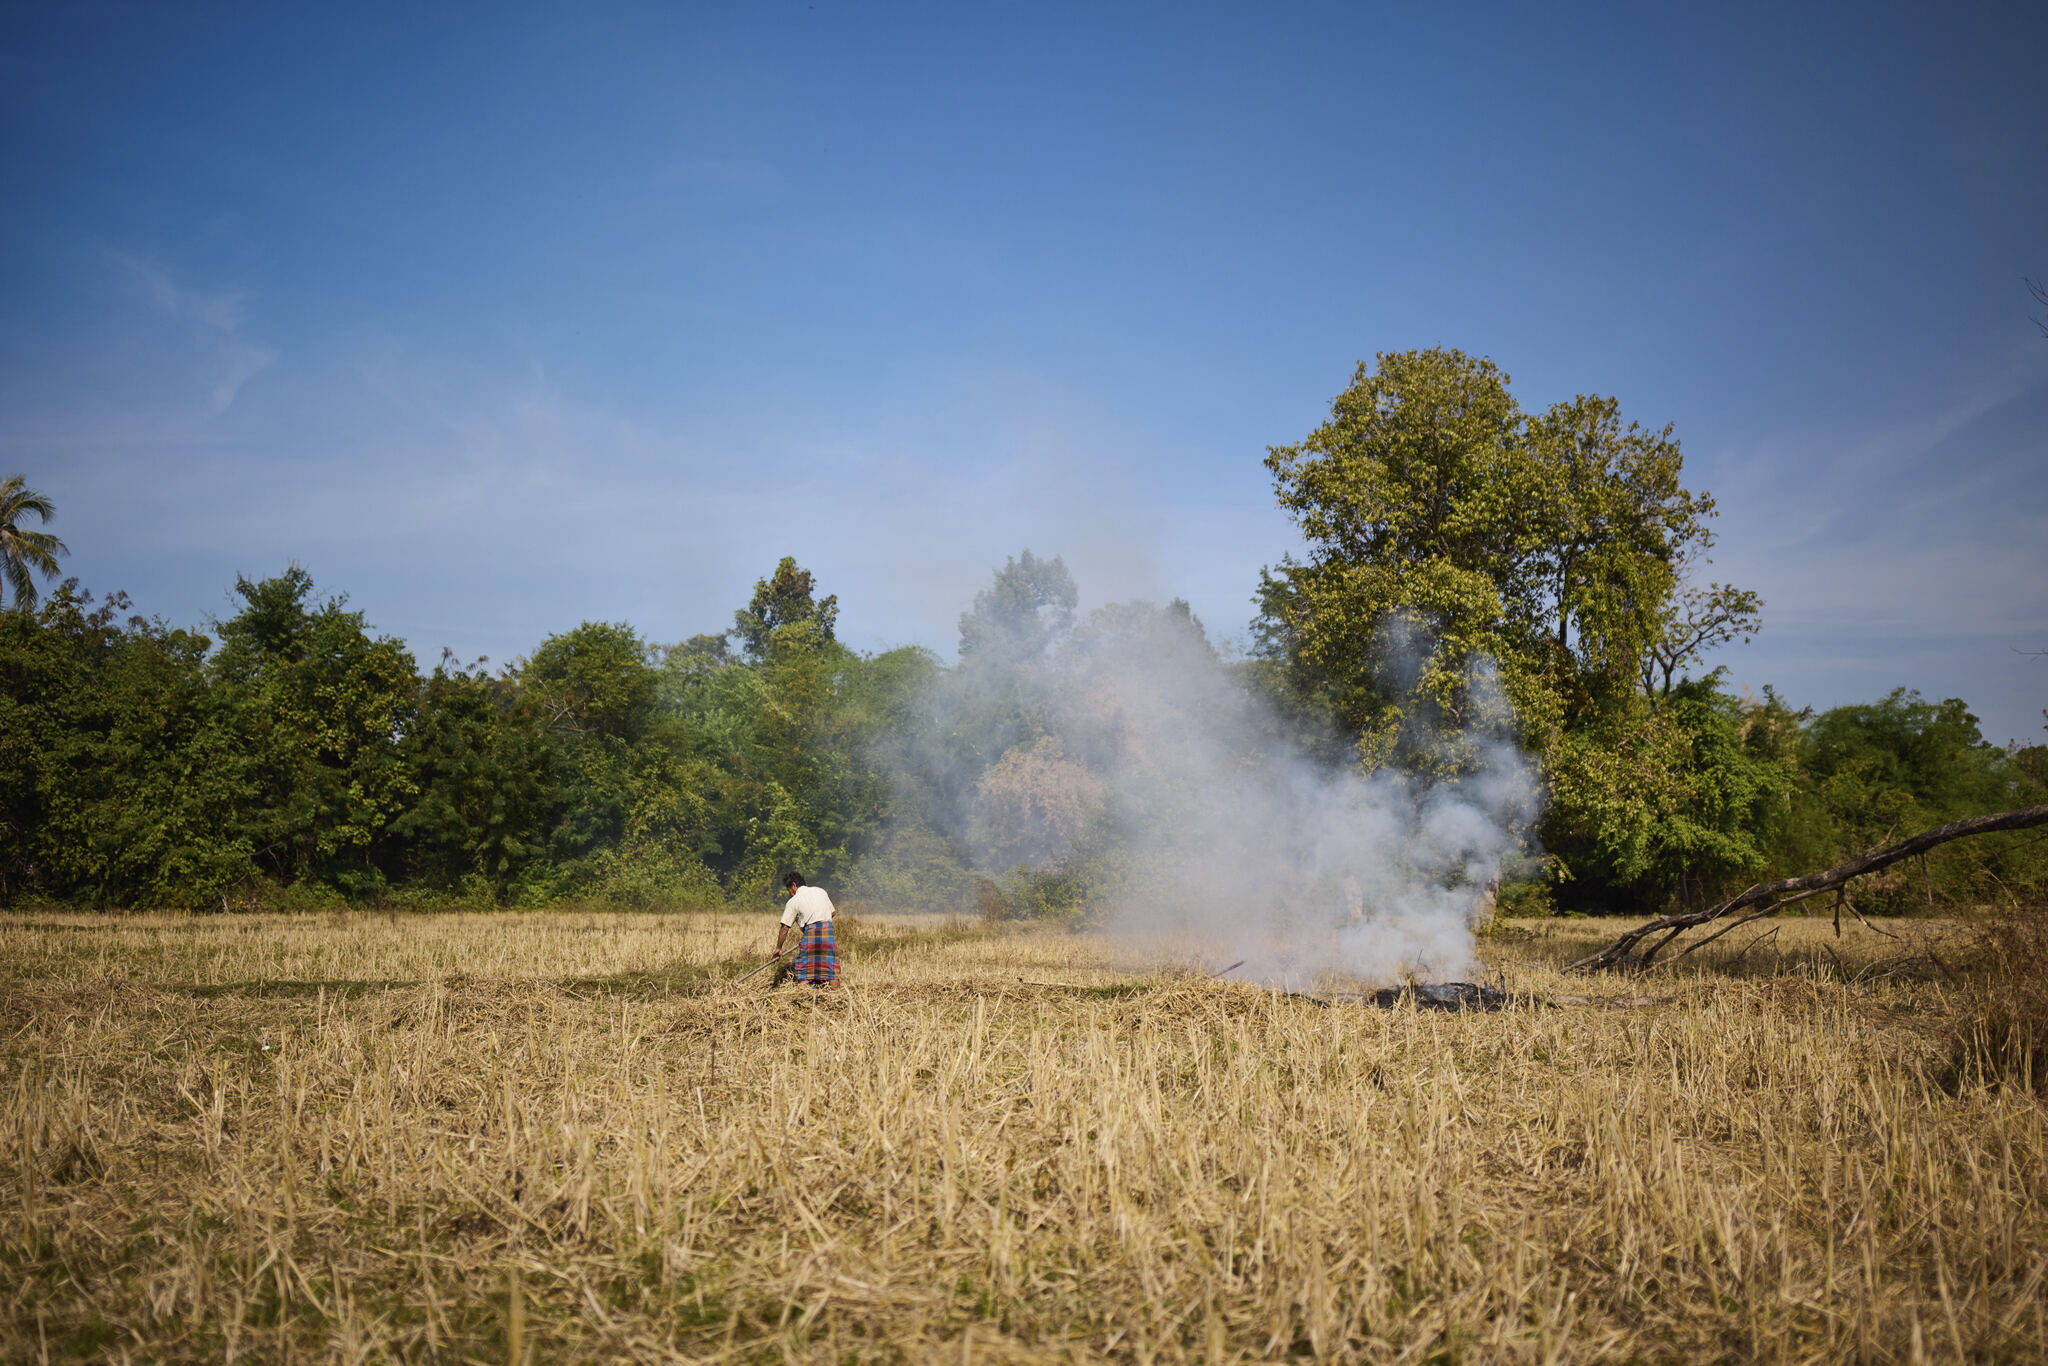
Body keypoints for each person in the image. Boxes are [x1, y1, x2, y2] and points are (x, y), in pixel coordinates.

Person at [770, 870, 839, 987]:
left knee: (805, 971)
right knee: (831, 970)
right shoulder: (820, 891)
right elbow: (832, 912)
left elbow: (784, 927)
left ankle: (803, 999)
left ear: (793, 885)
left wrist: (778, 948)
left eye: (789, 891)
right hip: (828, 932)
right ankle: (838, 998)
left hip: (811, 933)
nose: (790, 894)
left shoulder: (794, 901)